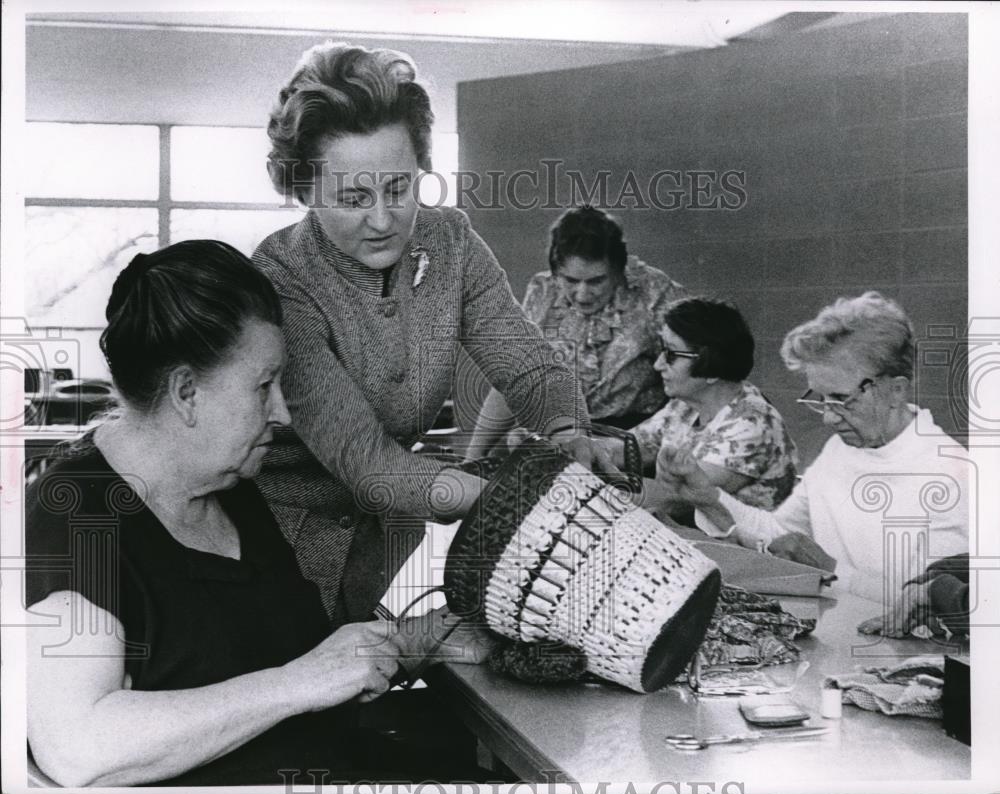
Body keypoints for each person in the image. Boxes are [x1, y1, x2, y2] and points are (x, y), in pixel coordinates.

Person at [25, 242, 488, 787]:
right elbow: (77, 747)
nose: (281, 412)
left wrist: (423, 640)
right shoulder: (76, 515)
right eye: (263, 386)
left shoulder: (232, 488)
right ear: (186, 392)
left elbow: (277, 668)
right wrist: (298, 682)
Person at [254, 42, 595, 624]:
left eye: (399, 189)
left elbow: (528, 365)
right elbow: (366, 463)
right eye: (353, 198)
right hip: (279, 544)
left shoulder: (452, 242)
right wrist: (521, 502)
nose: (383, 220)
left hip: (386, 542)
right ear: (304, 189)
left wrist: (567, 431)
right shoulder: (280, 277)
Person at [655, 292, 969, 603]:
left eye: (842, 399)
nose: (830, 417)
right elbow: (780, 532)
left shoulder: (952, 473)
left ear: (896, 390)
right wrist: (709, 499)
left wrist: (830, 570)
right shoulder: (839, 450)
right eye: (821, 399)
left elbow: (927, 605)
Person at [466, 205, 686, 459]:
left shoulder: (656, 293)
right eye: (570, 281)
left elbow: (691, 374)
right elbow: (514, 379)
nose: (582, 294)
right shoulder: (543, 290)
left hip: (634, 439)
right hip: (560, 434)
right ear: (556, 271)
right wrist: (473, 458)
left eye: (596, 281)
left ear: (618, 270)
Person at [634, 298, 798, 522]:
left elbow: (675, 500)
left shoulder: (752, 423)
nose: (658, 364)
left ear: (711, 366)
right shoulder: (685, 405)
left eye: (671, 354)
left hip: (744, 550)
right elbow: (627, 448)